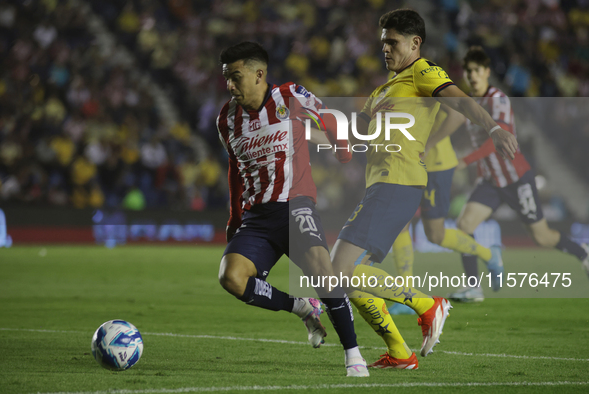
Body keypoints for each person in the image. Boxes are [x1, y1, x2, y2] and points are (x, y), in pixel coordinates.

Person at [329, 9, 519, 370]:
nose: (385, 48)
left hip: (398, 183)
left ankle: (427, 304)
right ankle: (401, 353)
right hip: (381, 187)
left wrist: (493, 128)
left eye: (393, 42)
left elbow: (458, 101)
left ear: (415, 43)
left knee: (336, 269)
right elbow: (354, 138)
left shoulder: (422, 71)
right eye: (383, 41)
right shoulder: (382, 90)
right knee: (348, 278)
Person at [215, 41, 369, 377]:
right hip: (257, 218)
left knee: (323, 273)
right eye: (226, 78)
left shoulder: (290, 96)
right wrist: (234, 218)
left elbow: (329, 116)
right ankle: (301, 307)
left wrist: (343, 151)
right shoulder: (226, 119)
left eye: (235, 77)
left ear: (259, 74)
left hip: (295, 204)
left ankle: (353, 354)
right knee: (231, 277)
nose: (229, 85)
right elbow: (235, 170)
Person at [444, 46, 589, 302]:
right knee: (464, 225)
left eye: (477, 70)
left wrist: (465, 161)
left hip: (516, 178)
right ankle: (474, 287)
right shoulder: (470, 103)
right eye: (468, 71)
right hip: (490, 180)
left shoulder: (497, 98)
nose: (472, 76)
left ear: (487, 72)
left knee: (542, 236)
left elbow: (496, 139)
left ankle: (583, 252)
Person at [388, 104, 503, 315]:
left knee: (435, 235)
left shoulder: (424, 75)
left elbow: (457, 116)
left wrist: (429, 144)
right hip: (410, 162)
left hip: (436, 165)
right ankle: (406, 294)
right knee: (399, 223)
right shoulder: (393, 77)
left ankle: (489, 255)